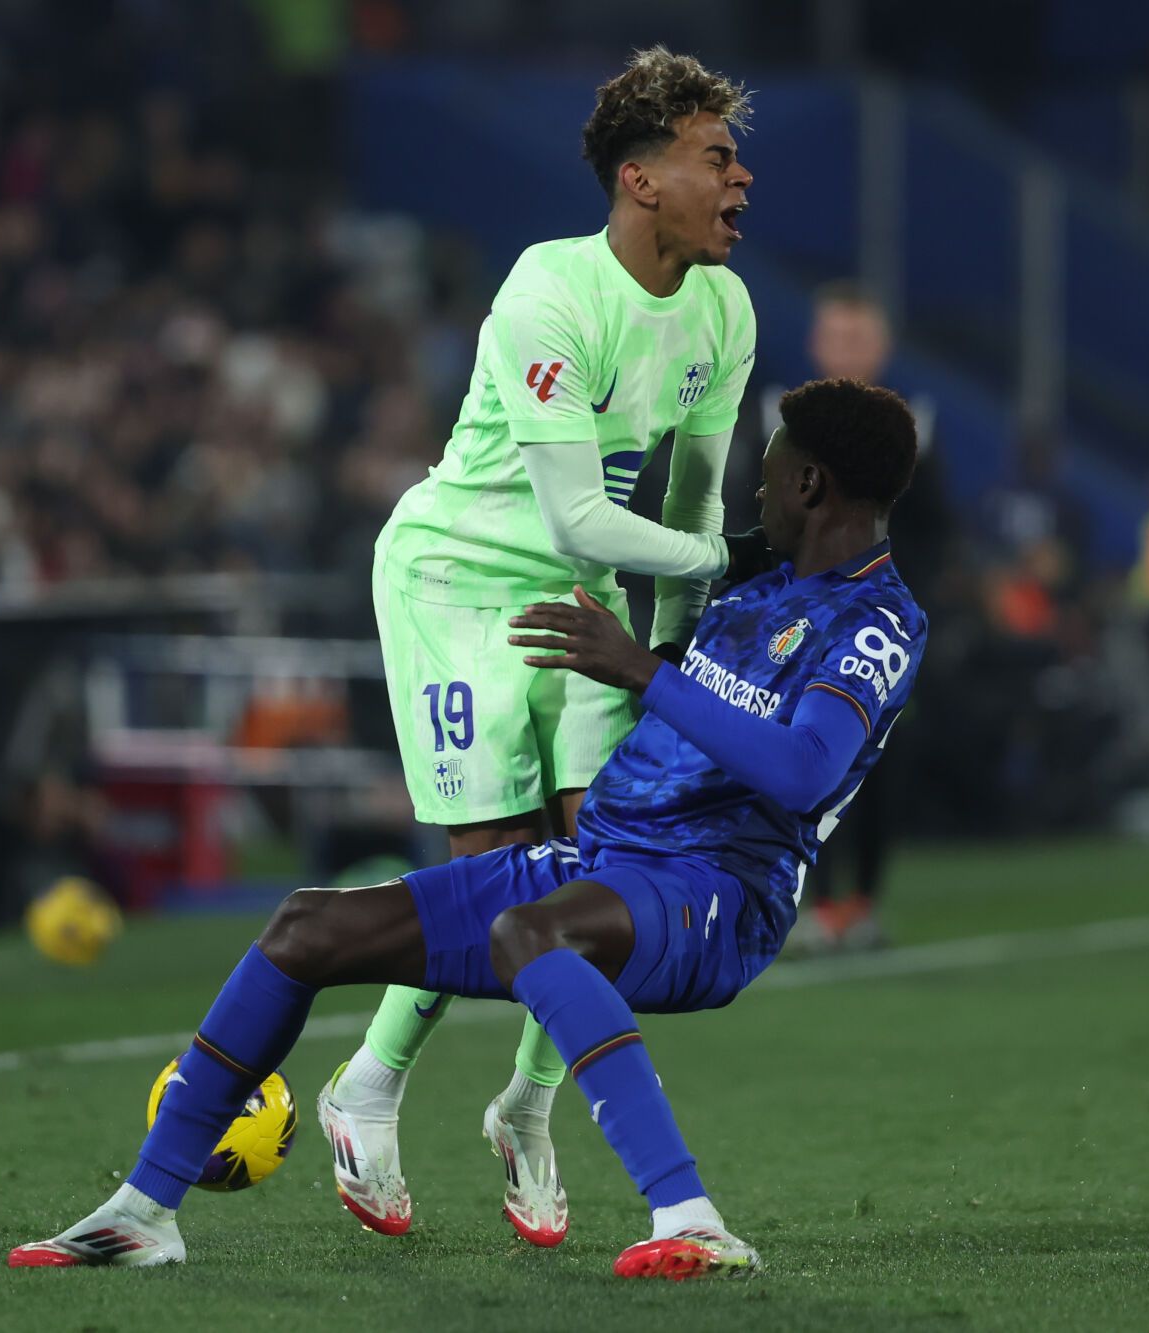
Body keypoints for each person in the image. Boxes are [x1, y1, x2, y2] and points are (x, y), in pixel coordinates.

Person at [7, 377, 924, 1279]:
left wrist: (643, 669)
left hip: (718, 892)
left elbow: (805, 771)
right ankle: (143, 1211)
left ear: (810, 485)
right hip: (606, 857)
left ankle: (690, 1216)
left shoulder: (876, 619)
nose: (753, 488)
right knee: (304, 928)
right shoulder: (763, 573)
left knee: (534, 931)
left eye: (769, 470)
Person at [327, 46, 767, 1246]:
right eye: (714, 157)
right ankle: (366, 1082)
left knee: (598, 868)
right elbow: (585, 514)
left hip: (579, 602)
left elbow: (682, 513)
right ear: (639, 178)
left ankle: (526, 1103)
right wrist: (721, 564)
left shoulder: (723, 310)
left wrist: (669, 666)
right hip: (458, 582)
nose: (740, 179)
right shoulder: (547, 291)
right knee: (491, 874)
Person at [760, 282, 951, 954]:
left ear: (882, 346)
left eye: (859, 337)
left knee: (877, 764)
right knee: (802, 757)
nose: (846, 350)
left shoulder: (914, 427)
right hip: (800, 625)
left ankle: (862, 900)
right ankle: (813, 901)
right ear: (816, 342)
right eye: (836, 336)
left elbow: (934, 530)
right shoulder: (780, 420)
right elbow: (755, 515)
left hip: (881, 625)